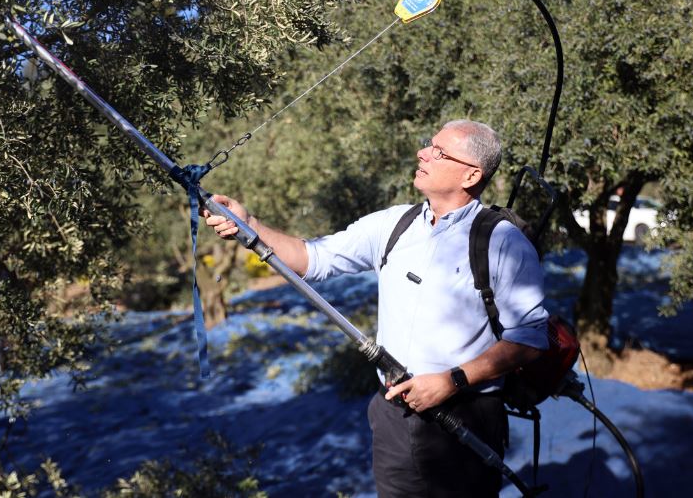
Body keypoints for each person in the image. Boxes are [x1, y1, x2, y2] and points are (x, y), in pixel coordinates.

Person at [203, 119, 549, 498]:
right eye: (427, 144)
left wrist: (451, 382)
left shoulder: (503, 242)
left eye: (439, 151)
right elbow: (311, 258)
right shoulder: (394, 224)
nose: (423, 153)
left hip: (466, 416)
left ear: (470, 175)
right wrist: (249, 224)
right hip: (393, 417)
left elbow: (529, 340)